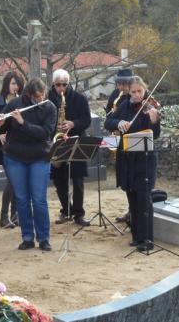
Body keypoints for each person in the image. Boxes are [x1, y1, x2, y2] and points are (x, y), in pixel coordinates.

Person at [0, 78, 56, 251]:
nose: (40, 99)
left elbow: (45, 133)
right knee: (22, 199)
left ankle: (44, 238)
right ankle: (27, 237)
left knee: (38, 199)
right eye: (36, 97)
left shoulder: (49, 107)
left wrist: (23, 123)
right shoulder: (15, 103)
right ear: (29, 95)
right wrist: (1, 123)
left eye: (42, 95)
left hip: (40, 156)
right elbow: (3, 128)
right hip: (15, 156)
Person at [104, 76, 161, 251]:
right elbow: (108, 121)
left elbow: (156, 134)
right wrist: (119, 122)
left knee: (144, 200)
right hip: (127, 160)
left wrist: (153, 120)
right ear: (129, 91)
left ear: (145, 90)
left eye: (140, 91)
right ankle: (137, 237)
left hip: (144, 160)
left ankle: (147, 240)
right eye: (134, 92)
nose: (137, 95)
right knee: (132, 199)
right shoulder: (124, 106)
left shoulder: (150, 107)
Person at [48, 69, 91, 226]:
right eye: (58, 85)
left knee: (78, 180)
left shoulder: (80, 98)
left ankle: (79, 214)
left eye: (64, 85)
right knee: (59, 180)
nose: (61, 88)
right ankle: (66, 210)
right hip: (57, 141)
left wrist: (73, 124)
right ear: (53, 84)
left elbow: (86, 120)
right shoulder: (48, 99)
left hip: (77, 140)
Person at [0, 71, 24, 228]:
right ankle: (3, 217)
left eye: (18, 84)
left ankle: (14, 216)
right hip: (2, 147)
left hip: (19, 145)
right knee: (13, 179)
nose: (16, 86)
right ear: (7, 84)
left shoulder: (22, 101)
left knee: (17, 180)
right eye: (13, 83)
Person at [105, 68, 133, 224]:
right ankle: (130, 210)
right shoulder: (116, 95)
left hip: (135, 143)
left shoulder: (138, 94)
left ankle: (133, 212)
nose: (121, 87)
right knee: (124, 178)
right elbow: (108, 118)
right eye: (119, 83)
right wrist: (115, 120)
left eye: (124, 84)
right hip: (120, 140)